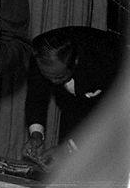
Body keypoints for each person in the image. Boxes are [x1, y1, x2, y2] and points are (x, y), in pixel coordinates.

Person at [22, 26, 124, 168]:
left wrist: (68, 148)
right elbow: (36, 96)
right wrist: (36, 135)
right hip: (73, 106)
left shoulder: (104, 63)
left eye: (59, 77)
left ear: (75, 62)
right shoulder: (39, 55)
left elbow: (112, 115)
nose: (53, 82)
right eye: (47, 76)